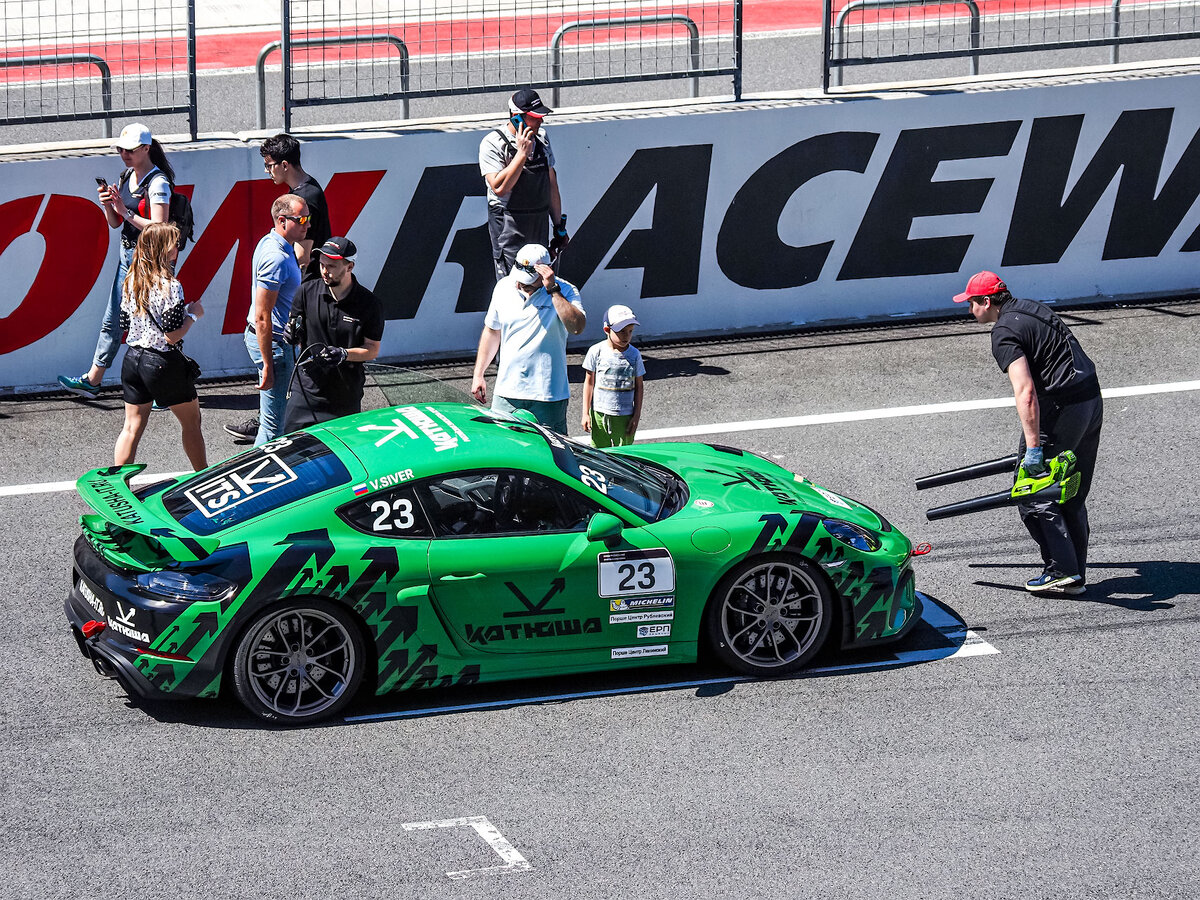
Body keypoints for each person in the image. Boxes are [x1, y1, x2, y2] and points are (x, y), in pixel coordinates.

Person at [955, 270, 1103, 595]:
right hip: (1091, 400)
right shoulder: (1032, 307)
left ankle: (1061, 571)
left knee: (1032, 491)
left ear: (986, 301)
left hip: (1062, 409)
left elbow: (1026, 393)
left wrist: (1034, 449)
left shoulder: (1003, 332)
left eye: (971, 304)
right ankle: (1074, 574)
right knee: (1070, 492)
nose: (969, 310)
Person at [59, 123, 174, 398]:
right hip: (127, 258)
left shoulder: (158, 183)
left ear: (146, 149)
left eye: (130, 150)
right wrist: (108, 206)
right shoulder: (126, 176)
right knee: (113, 320)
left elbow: (160, 227)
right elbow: (114, 223)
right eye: (121, 149)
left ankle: (164, 387)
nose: (124, 154)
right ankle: (94, 379)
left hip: (150, 261)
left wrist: (123, 210)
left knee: (155, 324)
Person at [114, 222, 207, 470]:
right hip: (161, 362)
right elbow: (171, 336)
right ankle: (203, 477)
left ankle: (119, 487)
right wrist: (194, 315)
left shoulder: (131, 280)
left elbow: (124, 322)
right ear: (163, 249)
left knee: (131, 428)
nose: (178, 248)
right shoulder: (171, 285)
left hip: (132, 359)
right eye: (174, 244)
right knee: (191, 423)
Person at [472, 243, 585, 434]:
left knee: (551, 455)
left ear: (546, 273)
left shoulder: (566, 290)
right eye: (519, 277)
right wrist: (478, 374)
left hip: (548, 394)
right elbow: (492, 331)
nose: (520, 283)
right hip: (507, 391)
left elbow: (577, 327)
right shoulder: (503, 287)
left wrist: (553, 290)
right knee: (502, 451)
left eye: (528, 280)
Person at [227, 194, 309, 446]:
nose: (308, 224)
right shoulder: (276, 257)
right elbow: (263, 317)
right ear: (282, 221)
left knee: (275, 420)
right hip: (273, 344)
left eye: (309, 218)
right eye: (302, 219)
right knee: (273, 427)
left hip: (274, 342)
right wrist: (267, 365)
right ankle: (258, 477)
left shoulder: (273, 243)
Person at [283, 237, 384, 431]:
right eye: (322, 264)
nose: (324, 270)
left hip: (344, 396)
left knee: (339, 458)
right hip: (306, 391)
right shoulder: (306, 292)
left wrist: (344, 354)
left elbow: (372, 350)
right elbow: (295, 328)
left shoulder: (370, 304)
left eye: (332, 266)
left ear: (350, 266)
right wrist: (292, 335)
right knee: (294, 452)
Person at [479, 89, 570, 282]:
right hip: (508, 226)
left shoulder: (542, 138)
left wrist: (559, 228)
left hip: (538, 222)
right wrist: (521, 154)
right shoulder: (492, 143)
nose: (540, 121)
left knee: (542, 281)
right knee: (513, 285)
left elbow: (551, 183)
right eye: (534, 117)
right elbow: (499, 187)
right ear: (516, 118)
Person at [259, 133, 331, 280]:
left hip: (308, 284)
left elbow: (302, 257)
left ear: (285, 165)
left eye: (269, 165)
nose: (267, 171)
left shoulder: (306, 198)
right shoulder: (307, 187)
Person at [581, 304, 645, 447]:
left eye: (630, 331)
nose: (627, 336)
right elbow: (589, 382)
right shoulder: (595, 351)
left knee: (624, 454)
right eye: (621, 331)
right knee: (599, 452)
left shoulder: (634, 354)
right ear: (607, 330)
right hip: (599, 412)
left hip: (625, 415)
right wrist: (585, 413)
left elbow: (639, 386)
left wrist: (636, 416)